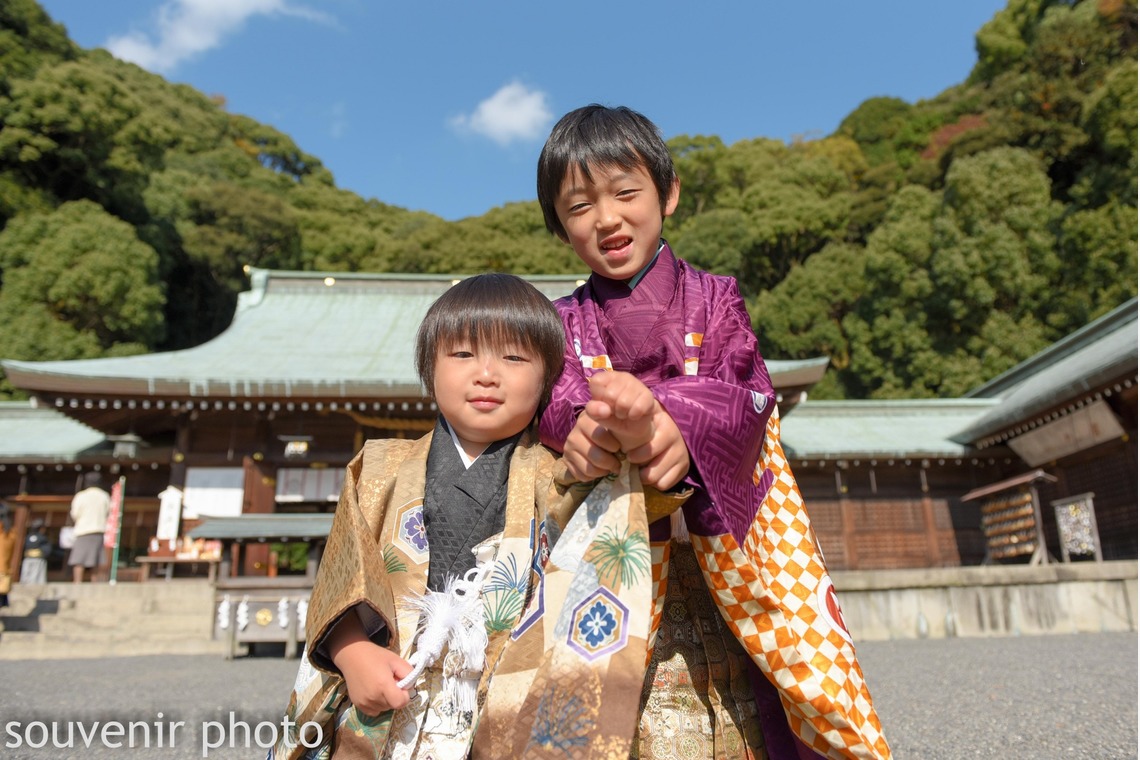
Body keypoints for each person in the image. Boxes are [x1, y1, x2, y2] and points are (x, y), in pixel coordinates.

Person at [476, 105, 891, 759]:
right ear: (559, 226)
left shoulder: (718, 297)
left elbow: (747, 394)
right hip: (610, 551)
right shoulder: (557, 323)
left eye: (625, 192)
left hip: (724, 539)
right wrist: (582, 431)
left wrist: (670, 418)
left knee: (795, 696)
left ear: (667, 193)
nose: (606, 218)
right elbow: (552, 403)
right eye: (579, 206)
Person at [271, 274, 594, 759]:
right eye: (462, 354)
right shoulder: (377, 468)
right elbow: (341, 581)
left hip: (506, 708)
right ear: (428, 368)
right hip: (388, 696)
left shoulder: (565, 478)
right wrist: (352, 652)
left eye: (514, 357)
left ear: (549, 377)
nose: (487, 374)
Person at [68, 472, 111, 584]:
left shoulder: (81, 496)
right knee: (95, 560)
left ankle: (77, 582)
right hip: (98, 530)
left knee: (79, 560)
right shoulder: (104, 496)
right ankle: (94, 583)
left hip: (83, 530)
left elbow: (75, 513)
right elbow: (108, 512)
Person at [21, 519, 51, 585]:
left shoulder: (28, 537)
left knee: (29, 576)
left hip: (35, 559)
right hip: (34, 559)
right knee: (34, 577)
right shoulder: (41, 538)